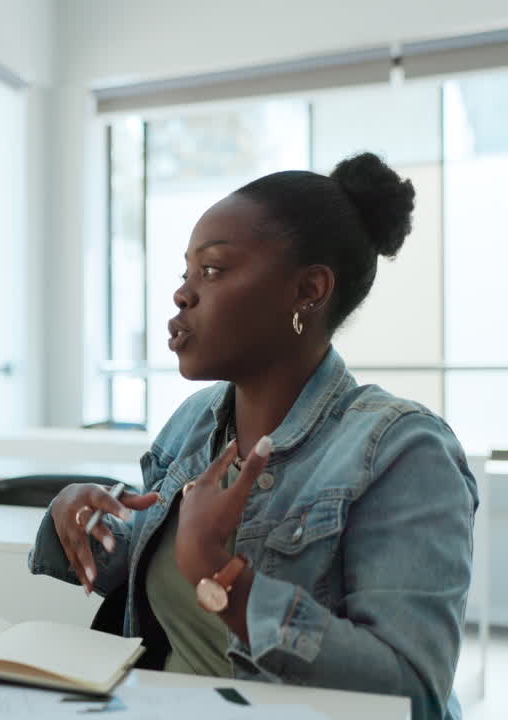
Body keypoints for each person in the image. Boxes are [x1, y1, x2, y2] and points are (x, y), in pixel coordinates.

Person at [31, 152, 477, 720]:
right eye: (186, 274)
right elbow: (136, 567)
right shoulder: (196, 420)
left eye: (213, 270)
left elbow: (413, 695)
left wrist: (222, 578)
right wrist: (78, 516)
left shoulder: (403, 451)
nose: (183, 295)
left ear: (308, 290)